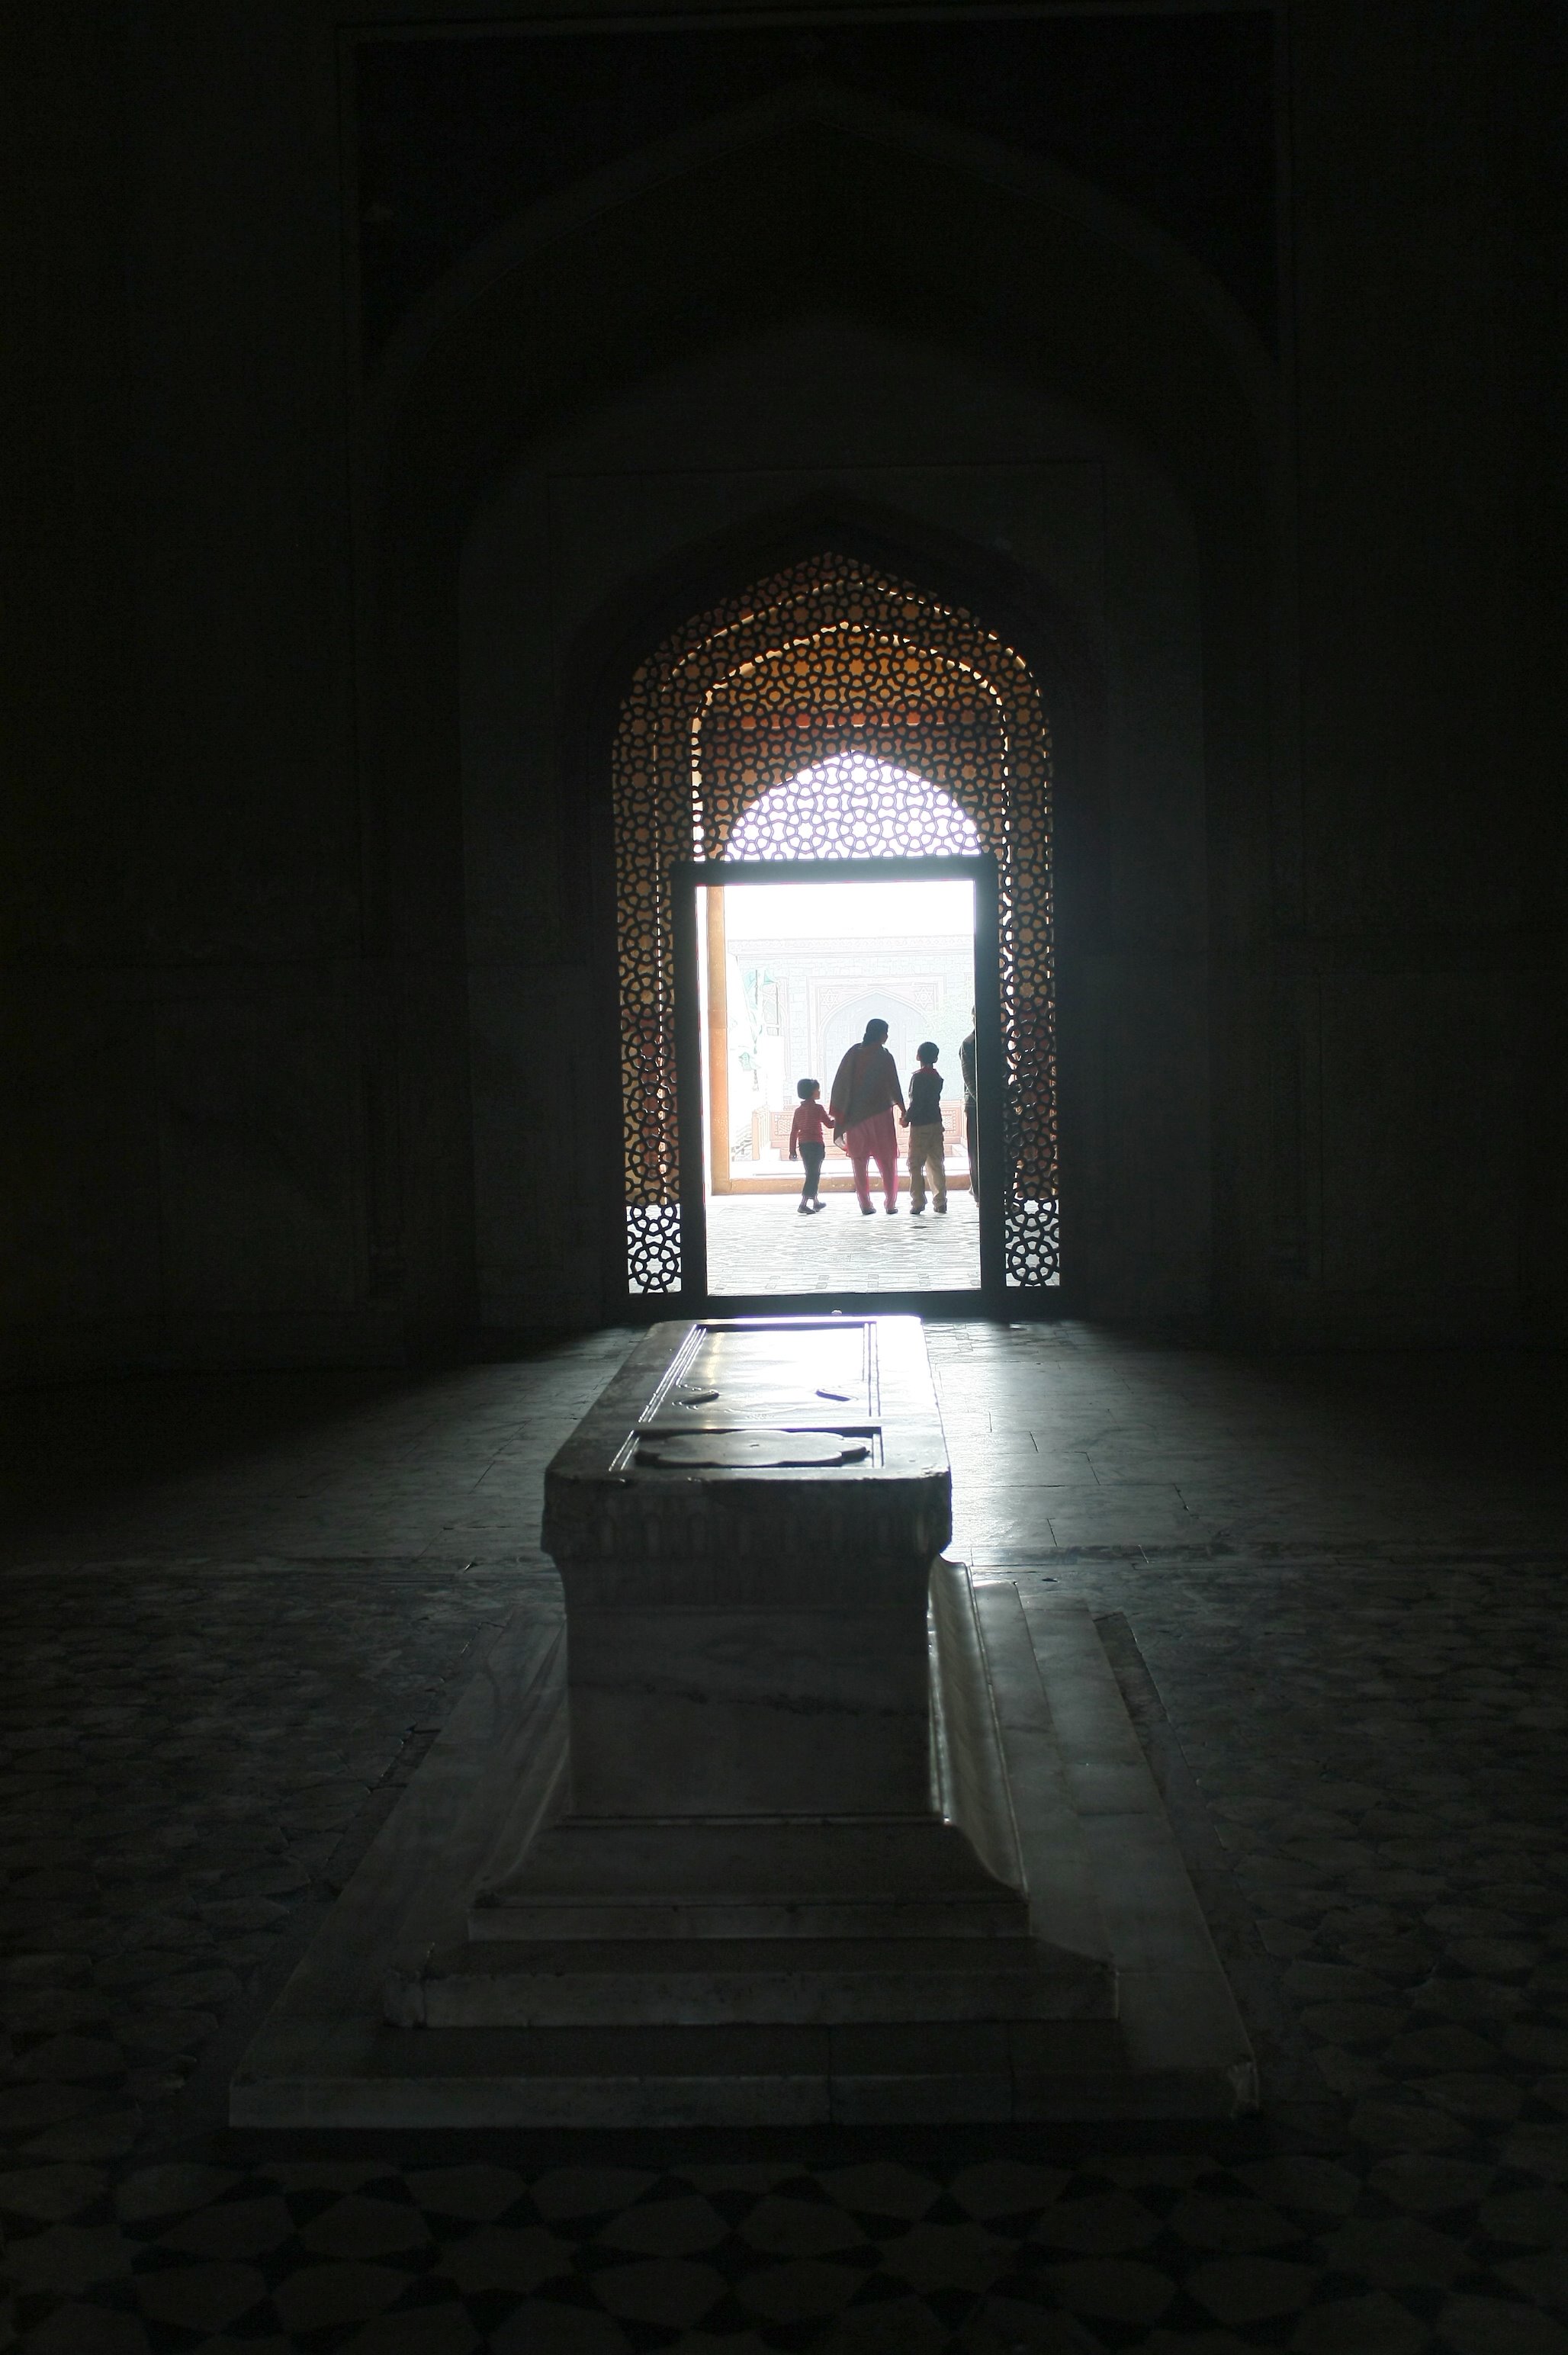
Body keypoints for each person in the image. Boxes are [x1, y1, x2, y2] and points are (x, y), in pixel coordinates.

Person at [828, 1018, 905, 1215]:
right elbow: (894, 1086)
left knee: (859, 1161)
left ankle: (865, 1204)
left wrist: (841, 1111)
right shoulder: (885, 1056)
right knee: (887, 1161)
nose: (887, 1037)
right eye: (885, 1033)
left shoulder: (854, 1053)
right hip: (880, 1116)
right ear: (880, 1034)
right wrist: (904, 1110)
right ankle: (890, 1204)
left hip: (855, 1117)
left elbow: (841, 1084)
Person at [901, 1040, 947, 1215]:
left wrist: (906, 1119)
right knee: (936, 1163)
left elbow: (917, 1103)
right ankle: (940, 1201)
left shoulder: (918, 1077)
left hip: (920, 1126)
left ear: (918, 1056)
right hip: (936, 1123)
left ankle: (918, 1202)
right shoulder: (937, 1078)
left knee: (915, 1164)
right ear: (935, 1057)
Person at [786, 1078, 831, 1214]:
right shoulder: (818, 1109)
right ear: (812, 1092)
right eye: (818, 1090)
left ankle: (816, 1202)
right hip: (816, 1145)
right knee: (813, 1174)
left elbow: (794, 1132)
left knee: (811, 1172)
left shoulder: (798, 1111)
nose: (819, 1092)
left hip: (804, 1146)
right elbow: (830, 1124)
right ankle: (803, 1203)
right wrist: (843, 1120)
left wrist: (792, 1150)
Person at [959, 1013, 980, 1208]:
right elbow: (970, 1078)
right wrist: (984, 1102)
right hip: (976, 1106)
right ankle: (980, 1194)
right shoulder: (969, 1044)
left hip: (999, 1104)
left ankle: (1003, 1195)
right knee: (977, 1152)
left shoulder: (994, 1041)